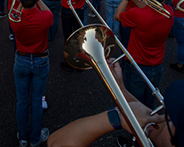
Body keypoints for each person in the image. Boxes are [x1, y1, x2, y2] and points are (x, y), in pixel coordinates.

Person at [47, 60, 183, 147]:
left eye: (171, 121)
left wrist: (117, 117)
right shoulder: (165, 133)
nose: (165, 118)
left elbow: (55, 142)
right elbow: (148, 118)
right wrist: (119, 87)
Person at [114, 0, 174, 109]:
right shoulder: (169, 11)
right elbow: (149, 9)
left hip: (137, 64)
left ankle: (136, 127)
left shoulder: (138, 14)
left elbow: (117, 16)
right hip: (156, 65)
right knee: (149, 100)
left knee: (134, 102)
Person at [10, 0, 53, 147]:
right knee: (36, 101)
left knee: (22, 101)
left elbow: (16, 11)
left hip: (21, 60)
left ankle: (22, 137)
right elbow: (48, 11)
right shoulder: (45, 17)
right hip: (40, 60)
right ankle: (35, 138)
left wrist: (22, 0)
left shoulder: (15, 19)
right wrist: (38, 0)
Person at [58, 0, 91, 72]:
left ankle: (69, 62)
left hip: (67, 9)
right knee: (79, 36)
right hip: (79, 10)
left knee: (67, 37)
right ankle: (79, 61)